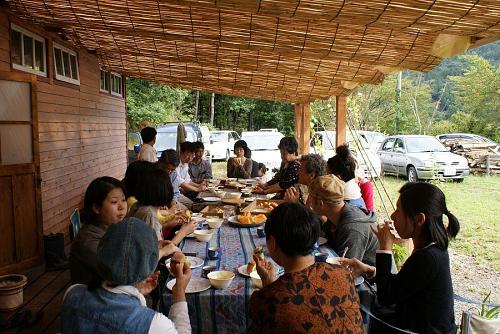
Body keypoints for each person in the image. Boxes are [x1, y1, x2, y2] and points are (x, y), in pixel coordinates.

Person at [342, 182, 459, 334]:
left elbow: (386, 296)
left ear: (419, 219)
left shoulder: (428, 257)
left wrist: (385, 247)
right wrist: (369, 270)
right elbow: (404, 284)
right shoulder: (433, 247)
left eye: (399, 210)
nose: (392, 216)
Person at [249, 202, 364, 334]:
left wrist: (269, 288)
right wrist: (271, 285)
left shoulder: (266, 299)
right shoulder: (342, 273)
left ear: (273, 243)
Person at [62, 218, 192, 333]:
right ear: (150, 267)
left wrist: (137, 291)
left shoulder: (72, 294)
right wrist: (179, 291)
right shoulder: (154, 324)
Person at [308, 174, 379, 266]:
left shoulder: (352, 228)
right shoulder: (335, 214)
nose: (309, 201)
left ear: (321, 203)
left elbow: (345, 271)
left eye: (311, 197)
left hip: (370, 279)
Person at [70, 177, 127, 285]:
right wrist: (159, 253)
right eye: (114, 202)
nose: (121, 207)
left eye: (123, 200)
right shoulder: (87, 241)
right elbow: (120, 271)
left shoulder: (112, 227)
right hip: (93, 298)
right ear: (96, 208)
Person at [128, 166, 195, 244]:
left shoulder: (139, 205)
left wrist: (168, 224)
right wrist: (183, 232)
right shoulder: (149, 214)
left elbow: (151, 232)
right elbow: (158, 252)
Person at [327, 144, 366, 209]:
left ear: (338, 178)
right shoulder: (355, 196)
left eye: (328, 175)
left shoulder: (344, 206)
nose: (326, 178)